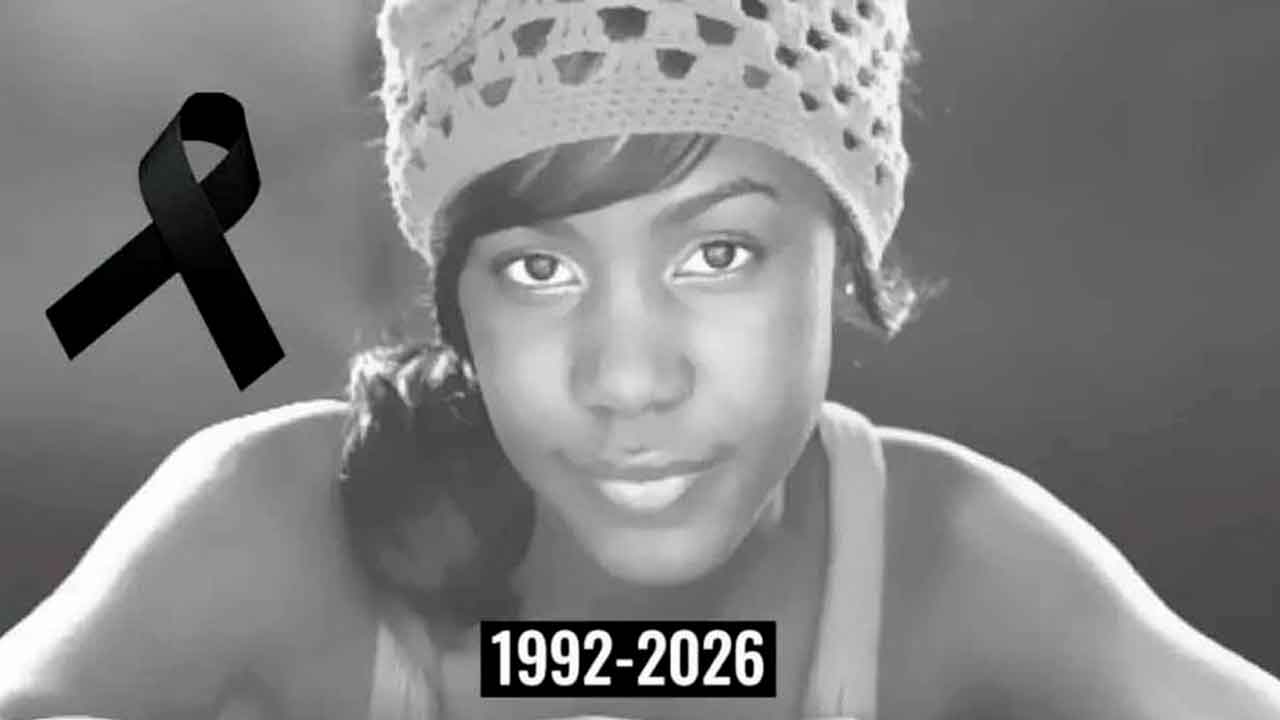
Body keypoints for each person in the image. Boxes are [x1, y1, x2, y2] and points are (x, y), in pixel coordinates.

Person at [2, 0, 1280, 717]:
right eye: (536, 270)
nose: (626, 380)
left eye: (716, 254)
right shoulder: (273, 522)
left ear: (842, 260)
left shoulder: (949, 560)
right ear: (454, 307)